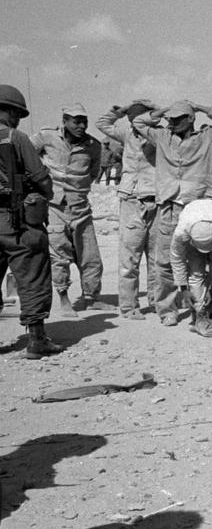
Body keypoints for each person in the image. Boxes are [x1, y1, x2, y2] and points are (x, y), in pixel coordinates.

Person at [132, 100, 212, 326]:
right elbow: (138, 121)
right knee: (165, 260)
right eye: (170, 119)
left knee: (199, 260)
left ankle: (202, 307)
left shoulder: (206, 137)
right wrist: (165, 110)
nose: (172, 122)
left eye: (177, 119)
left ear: (190, 119)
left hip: (199, 208)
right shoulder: (162, 137)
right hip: (170, 206)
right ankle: (167, 309)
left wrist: (201, 106)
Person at [0, 84, 62, 358]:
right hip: (17, 222)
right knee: (33, 274)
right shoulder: (17, 138)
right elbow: (39, 176)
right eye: (15, 113)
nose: (17, 119)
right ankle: (36, 340)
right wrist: (46, 192)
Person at [31, 103, 104, 316]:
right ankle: (64, 299)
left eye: (84, 121)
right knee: (59, 254)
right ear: (64, 122)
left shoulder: (93, 145)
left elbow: (93, 173)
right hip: (54, 206)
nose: (81, 126)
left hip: (80, 207)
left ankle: (92, 299)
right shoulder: (46, 137)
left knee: (90, 256)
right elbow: (25, 154)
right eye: (76, 121)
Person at [97, 99, 159, 320]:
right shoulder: (126, 134)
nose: (136, 124)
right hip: (131, 199)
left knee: (156, 257)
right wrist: (121, 110)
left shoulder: (160, 135)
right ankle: (128, 306)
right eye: (133, 120)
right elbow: (102, 123)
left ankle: (157, 301)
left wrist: (153, 108)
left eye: (141, 119)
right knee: (129, 257)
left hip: (157, 199)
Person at [169, 198, 212, 337]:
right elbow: (177, 259)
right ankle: (200, 317)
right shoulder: (181, 233)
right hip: (193, 224)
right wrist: (184, 289)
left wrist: (211, 285)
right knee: (195, 273)